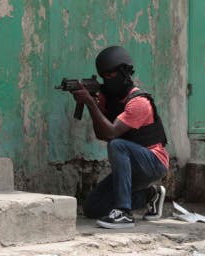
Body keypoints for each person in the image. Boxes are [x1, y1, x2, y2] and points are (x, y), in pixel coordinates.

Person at [71, 45, 169, 229]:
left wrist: (91, 103)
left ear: (123, 73)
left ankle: (124, 213)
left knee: (117, 145)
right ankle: (150, 195)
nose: (107, 81)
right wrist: (96, 106)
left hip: (153, 162)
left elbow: (111, 134)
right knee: (92, 207)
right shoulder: (112, 99)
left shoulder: (139, 102)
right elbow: (102, 134)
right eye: (104, 77)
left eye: (110, 76)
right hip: (133, 165)